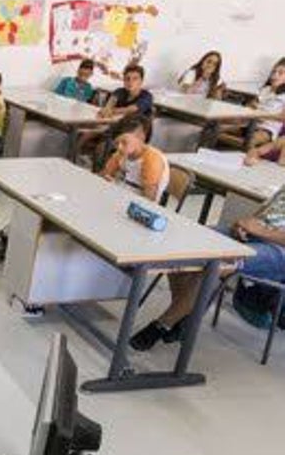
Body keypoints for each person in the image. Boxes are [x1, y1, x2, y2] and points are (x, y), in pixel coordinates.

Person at [130, 183, 285, 350]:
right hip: (255, 236)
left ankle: (163, 324)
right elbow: (260, 216)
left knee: (216, 264)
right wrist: (241, 225)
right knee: (185, 246)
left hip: (278, 251)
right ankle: (183, 316)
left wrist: (258, 231)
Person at [81, 65, 155, 167]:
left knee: (101, 148)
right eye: (127, 79)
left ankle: (100, 173)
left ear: (141, 81)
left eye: (135, 79)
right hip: (114, 128)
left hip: (133, 135)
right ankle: (72, 159)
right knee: (85, 133)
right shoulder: (120, 91)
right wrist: (108, 110)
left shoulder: (146, 96)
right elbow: (108, 107)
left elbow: (131, 109)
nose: (130, 82)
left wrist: (112, 111)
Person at [100, 115, 169, 203]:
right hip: (120, 197)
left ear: (141, 137)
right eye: (117, 143)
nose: (119, 147)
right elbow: (104, 174)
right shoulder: (122, 154)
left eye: (124, 142)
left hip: (136, 204)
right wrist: (107, 180)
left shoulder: (152, 159)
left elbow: (149, 200)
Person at [248, 57, 285, 148]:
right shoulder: (266, 89)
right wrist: (252, 105)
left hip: (267, 129)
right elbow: (251, 105)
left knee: (250, 140)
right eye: (274, 72)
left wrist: (263, 115)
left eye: (280, 73)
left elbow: (282, 117)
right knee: (219, 128)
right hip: (251, 123)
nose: (275, 75)